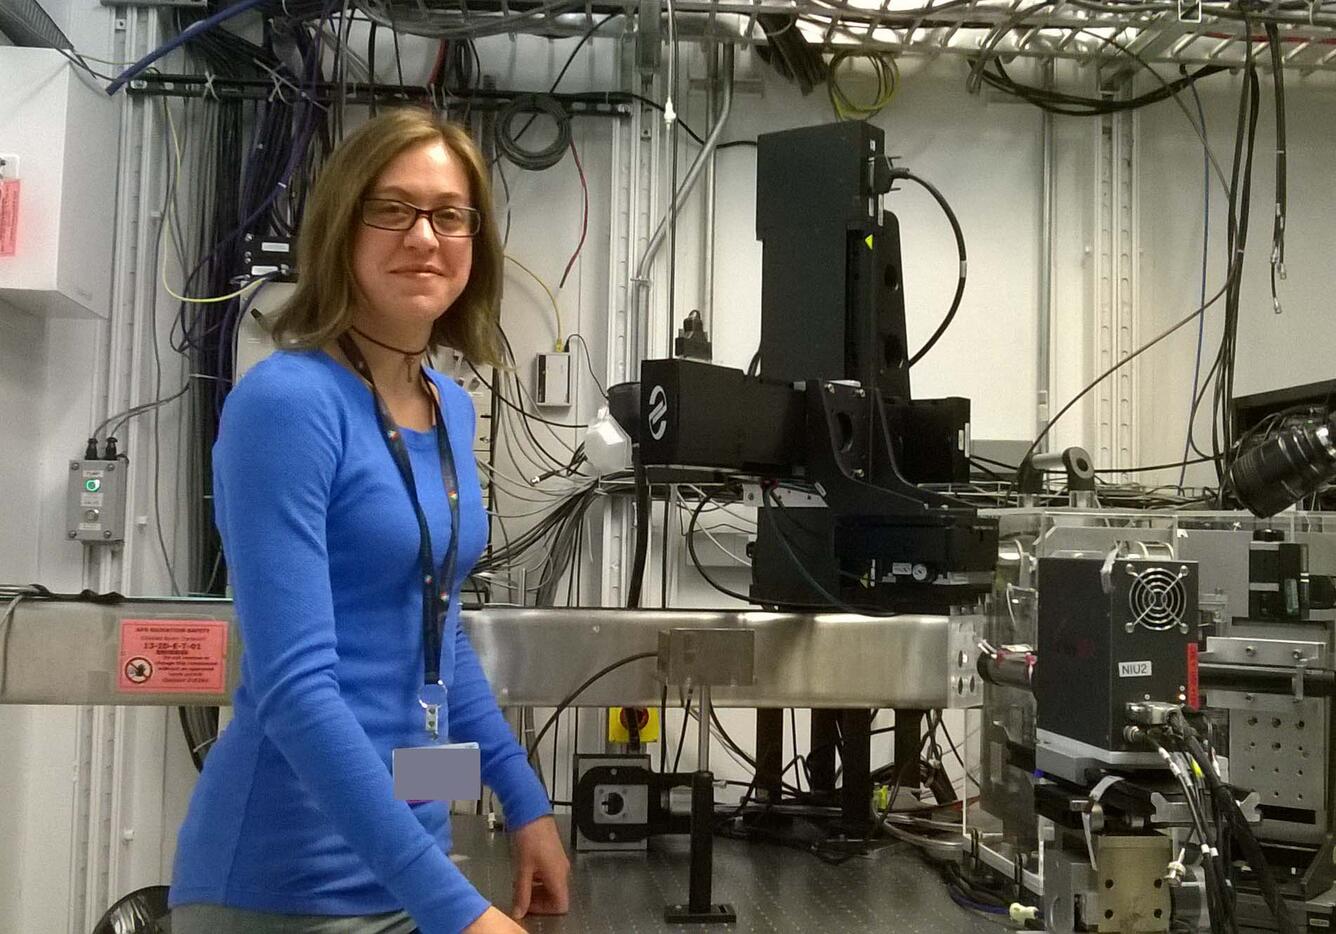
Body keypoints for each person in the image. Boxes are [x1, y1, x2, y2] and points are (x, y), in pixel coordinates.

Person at [169, 108, 570, 934]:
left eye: (449, 214)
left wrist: (527, 807)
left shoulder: (449, 408)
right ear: (339, 229)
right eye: (392, 209)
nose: (424, 236)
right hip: (284, 888)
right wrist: (457, 912)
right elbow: (294, 692)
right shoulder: (287, 403)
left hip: (409, 865)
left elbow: (441, 633)